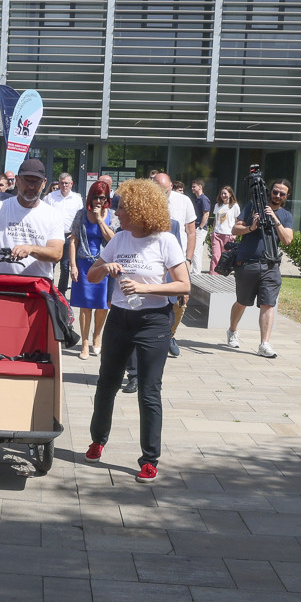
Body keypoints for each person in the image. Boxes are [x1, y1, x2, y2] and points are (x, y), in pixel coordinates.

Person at [83, 178, 190, 484]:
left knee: (149, 390)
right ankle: (97, 440)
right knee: (107, 383)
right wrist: (106, 268)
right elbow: (92, 276)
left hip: (153, 321)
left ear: (141, 210)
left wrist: (145, 288)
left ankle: (150, 459)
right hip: (120, 318)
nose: (117, 213)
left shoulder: (165, 241)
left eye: (122, 208)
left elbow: (184, 285)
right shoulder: (119, 239)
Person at [227, 178, 294, 358]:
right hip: (248, 263)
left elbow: (287, 239)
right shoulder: (253, 206)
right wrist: (251, 227)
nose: (277, 195)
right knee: (242, 302)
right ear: (269, 191)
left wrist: (274, 218)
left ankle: (264, 344)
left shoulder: (286, 215)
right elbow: (235, 229)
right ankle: (232, 330)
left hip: (271, 265)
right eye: (275, 192)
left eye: (282, 193)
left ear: (287, 196)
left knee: (268, 304)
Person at [68, 181, 115, 360]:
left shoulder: (112, 215)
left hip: (104, 265)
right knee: (85, 305)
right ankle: (85, 342)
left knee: (103, 305)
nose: (98, 201)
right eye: (95, 197)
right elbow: (73, 240)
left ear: (107, 198)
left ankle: (97, 337)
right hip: (84, 264)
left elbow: (113, 239)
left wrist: (100, 220)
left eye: (102, 198)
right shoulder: (81, 214)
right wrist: (73, 265)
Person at [154, 173, 197, 357]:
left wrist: (188, 259)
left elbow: (191, 232)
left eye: (164, 191)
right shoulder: (147, 200)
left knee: (181, 301)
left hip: (178, 259)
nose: (162, 194)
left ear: (171, 186)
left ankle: (170, 334)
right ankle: (159, 336)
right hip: (155, 259)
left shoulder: (184, 201)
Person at [44, 172, 83, 293]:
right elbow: (43, 215)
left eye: (67, 183)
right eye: (62, 183)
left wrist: (75, 232)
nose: (64, 185)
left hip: (69, 236)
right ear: (59, 184)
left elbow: (80, 217)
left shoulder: (77, 199)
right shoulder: (50, 197)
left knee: (65, 266)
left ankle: (61, 293)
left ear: (71, 184)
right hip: (53, 236)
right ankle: (49, 291)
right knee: (51, 264)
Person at [210, 185, 241, 274]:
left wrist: (235, 234)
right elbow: (215, 220)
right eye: (221, 194)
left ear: (230, 194)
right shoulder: (217, 205)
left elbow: (238, 221)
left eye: (225, 194)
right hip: (217, 234)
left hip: (228, 234)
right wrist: (213, 232)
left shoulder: (234, 206)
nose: (223, 195)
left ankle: (223, 274)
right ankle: (213, 275)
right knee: (215, 255)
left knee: (225, 258)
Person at [190, 179, 212, 274]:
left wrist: (200, 227)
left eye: (194, 186)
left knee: (196, 251)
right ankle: (194, 271)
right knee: (193, 250)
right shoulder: (198, 199)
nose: (192, 188)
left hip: (200, 229)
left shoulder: (203, 199)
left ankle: (196, 273)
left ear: (200, 187)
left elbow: (206, 214)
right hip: (196, 228)